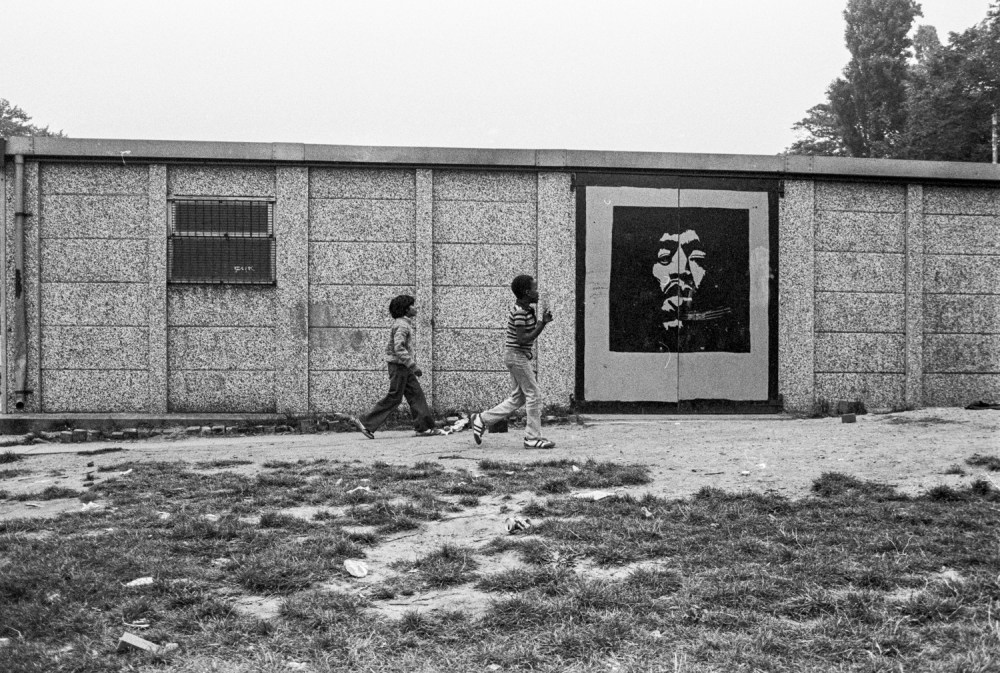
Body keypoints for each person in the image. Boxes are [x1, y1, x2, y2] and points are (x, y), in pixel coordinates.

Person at [471, 274, 556, 449]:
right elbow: (522, 339)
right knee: (534, 394)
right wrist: (542, 324)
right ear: (527, 292)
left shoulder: (525, 309)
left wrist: (542, 322)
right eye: (534, 288)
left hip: (516, 356)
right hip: (516, 356)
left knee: (518, 398)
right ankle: (532, 437)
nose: (537, 292)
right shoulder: (520, 312)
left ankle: (482, 419)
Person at [354, 294, 436, 439]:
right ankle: (366, 423)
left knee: (416, 394)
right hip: (399, 367)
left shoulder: (403, 323)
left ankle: (424, 427)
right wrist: (413, 365)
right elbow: (399, 348)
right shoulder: (402, 325)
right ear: (405, 309)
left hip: (402, 367)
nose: (415, 307)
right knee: (394, 397)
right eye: (412, 305)